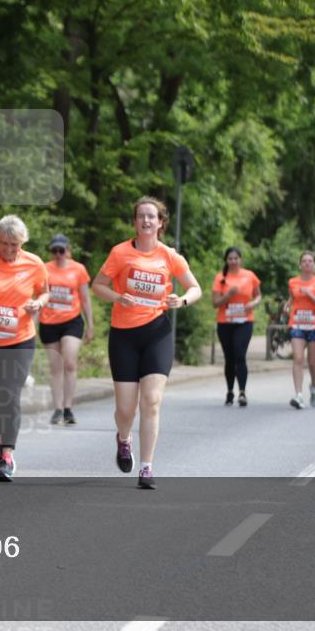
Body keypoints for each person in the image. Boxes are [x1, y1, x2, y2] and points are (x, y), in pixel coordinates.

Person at [91, 197, 201, 489]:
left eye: (152, 217)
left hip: (157, 332)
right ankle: (124, 439)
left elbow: (195, 287)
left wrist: (183, 299)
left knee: (151, 401)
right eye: (141, 216)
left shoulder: (170, 256)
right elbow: (97, 286)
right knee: (126, 410)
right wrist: (117, 297)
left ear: (161, 223)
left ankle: (147, 467)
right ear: (135, 222)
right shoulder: (120, 253)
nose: (146, 221)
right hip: (124, 335)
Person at [0, 215, 48, 482]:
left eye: (15, 244)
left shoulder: (34, 263)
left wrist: (39, 303)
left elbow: (45, 291)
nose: (9, 250)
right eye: (4, 244)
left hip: (20, 340)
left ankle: (6, 455)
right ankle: (4, 437)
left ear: (22, 242)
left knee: (10, 394)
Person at [38, 234, 93, 425]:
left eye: (61, 250)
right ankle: (58, 408)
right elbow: (39, 295)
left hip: (72, 321)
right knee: (55, 367)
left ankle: (68, 409)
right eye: (54, 251)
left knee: (69, 363)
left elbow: (85, 298)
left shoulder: (78, 269)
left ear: (67, 250)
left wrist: (90, 325)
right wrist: (32, 322)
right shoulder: (44, 269)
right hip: (49, 322)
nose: (58, 254)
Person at [211, 247, 261, 407]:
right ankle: (230, 391)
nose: (233, 261)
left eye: (236, 258)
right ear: (226, 260)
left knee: (240, 355)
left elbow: (258, 295)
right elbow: (215, 303)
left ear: (240, 260)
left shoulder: (249, 275)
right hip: (225, 322)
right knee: (229, 358)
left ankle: (242, 392)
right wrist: (228, 295)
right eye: (230, 258)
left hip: (244, 321)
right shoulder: (221, 277)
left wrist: (253, 304)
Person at [286, 251, 315, 409]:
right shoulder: (293, 282)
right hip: (297, 324)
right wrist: (287, 305)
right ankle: (298, 395)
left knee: (312, 362)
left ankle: (313, 387)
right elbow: (293, 298)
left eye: (310, 261)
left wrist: (310, 295)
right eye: (304, 261)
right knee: (298, 358)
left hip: (314, 325)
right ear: (300, 265)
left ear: (314, 265)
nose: (307, 263)